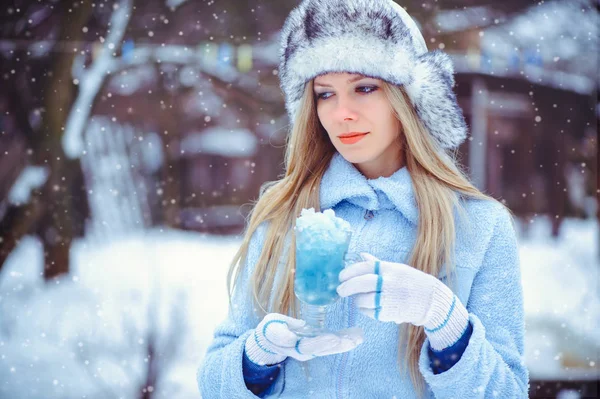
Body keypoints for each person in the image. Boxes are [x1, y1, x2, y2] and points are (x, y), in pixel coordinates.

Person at [197, 0, 529, 398]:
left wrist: (446, 322)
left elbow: (507, 392)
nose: (342, 113)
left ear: (407, 96)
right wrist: (257, 357)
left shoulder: (479, 226)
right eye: (325, 94)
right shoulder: (282, 215)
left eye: (365, 87)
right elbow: (214, 384)